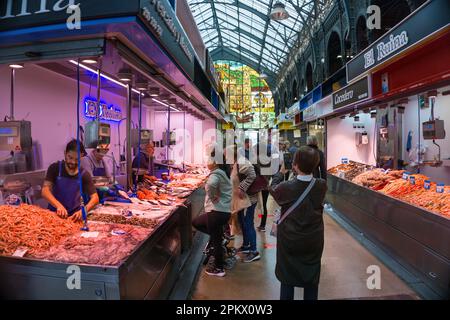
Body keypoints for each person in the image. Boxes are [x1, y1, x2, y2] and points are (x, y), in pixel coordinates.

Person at [269, 146, 327, 300]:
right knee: (311, 278)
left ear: (295, 165)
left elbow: (273, 189)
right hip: (314, 239)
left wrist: (281, 173)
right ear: (315, 165)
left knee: (287, 277)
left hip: (289, 239)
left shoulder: (286, 187)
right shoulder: (321, 185)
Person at [192, 146, 232, 277]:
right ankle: (219, 238)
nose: (207, 161)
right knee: (215, 237)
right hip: (223, 211)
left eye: (209, 158)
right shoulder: (222, 171)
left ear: (215, 162)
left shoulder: (216, 174)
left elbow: (211, 185)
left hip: (217, 211)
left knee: (197, 223)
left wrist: (212, 194)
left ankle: (219, 268)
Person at [42, 139, 99, 222]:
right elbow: (45, 191)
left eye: (77, 159)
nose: (72, 162)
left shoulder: (84, 175)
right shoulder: (55, 168)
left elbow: (95, 198)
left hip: (74, 217)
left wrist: (84, 210)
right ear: (65, 153)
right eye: (70, 157)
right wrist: (58, 206)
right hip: (54, 215)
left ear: (82, 156)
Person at [234, 145, 260, 263]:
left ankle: (254, 251)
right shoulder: (237, 161)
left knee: (249, 222)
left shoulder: (242, 161)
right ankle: (246, 245)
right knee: (243, 221)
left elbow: (252, 175)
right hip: (243, 199)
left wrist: (242, 188)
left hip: (250, 199)